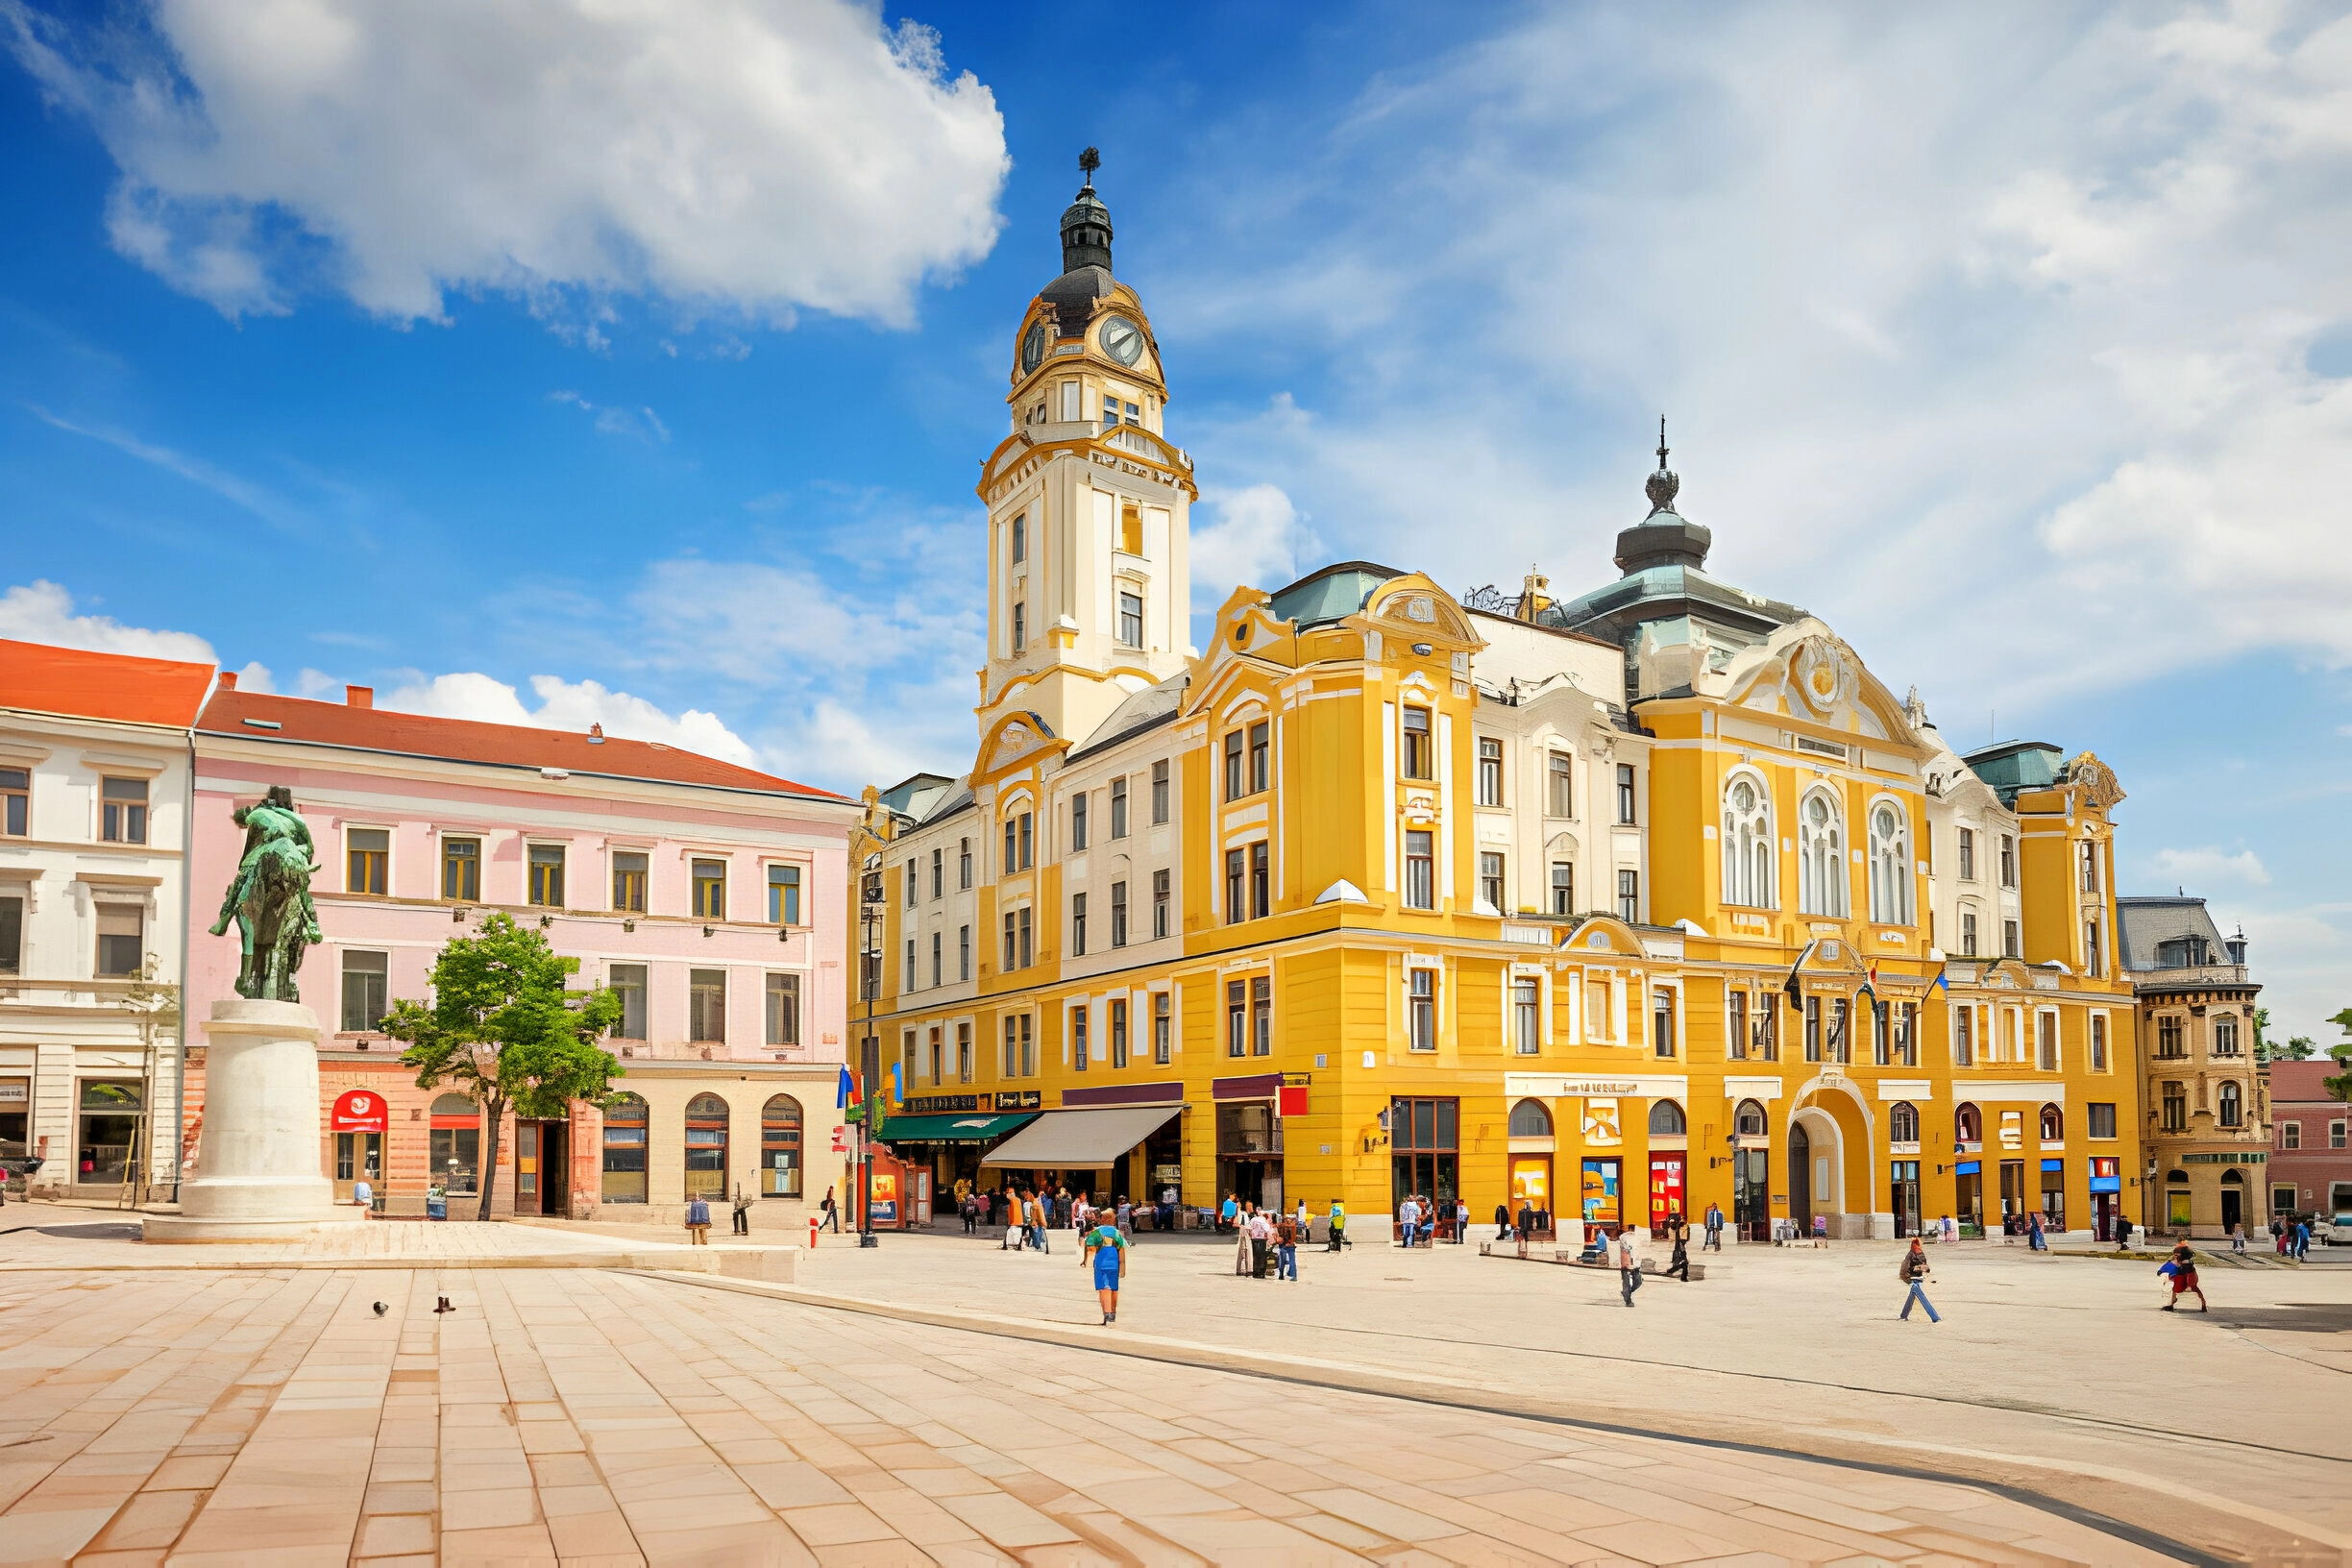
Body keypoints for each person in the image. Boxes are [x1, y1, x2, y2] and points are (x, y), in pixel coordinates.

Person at [1083, 1210, 1128, 1324]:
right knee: (1113, 1288)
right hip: (1114, 1263)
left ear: (1102, 1219)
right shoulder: (1117, 1233)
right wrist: (1122, 1267)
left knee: (1104, 1288)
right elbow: (1121, 1250)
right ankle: (1113, 1313)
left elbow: (1089, 1246)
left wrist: (1085, 1260)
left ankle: (1107, 1314)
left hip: (1101, 1262)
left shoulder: (1097, 1232)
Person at [1899, 1237, 1939, 1322]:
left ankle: (1935, 1317)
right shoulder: (1921, 1254)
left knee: (1923, 1299)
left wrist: (1905, 1278)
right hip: (1919, 1278)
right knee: (1911, 1299)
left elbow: (1905, 1268)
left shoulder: (1910, 1254)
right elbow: (1926, 1268)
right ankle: (1903, 1316)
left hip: (1913, 1279)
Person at [2162, 1243, 2207, 1311]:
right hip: (2180, 1278)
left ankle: (2203, 1305)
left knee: (2194, 1290)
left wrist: (2189, 1285)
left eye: (2177, 1254)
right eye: (2175, 1254)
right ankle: (2203, 1305)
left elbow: (2190, 1275)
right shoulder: (2179, 1262)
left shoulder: (2187, 1264)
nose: (2175, 1255)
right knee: (2175, 1290)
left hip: (2185, 1279)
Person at [1618, 1227, 1642, 1308]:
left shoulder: (1637, 1237)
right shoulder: (1623, 1237)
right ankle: (1628, 1301)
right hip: (1626, 1264)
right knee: (1626, 1283)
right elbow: (1625, 1250)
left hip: (1636, 1264)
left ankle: (1627, 1293)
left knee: (1638, 1281)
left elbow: (1637, 1250)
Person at [1247, 1204, 1274, 1277]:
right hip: (1262, 1239)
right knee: (1262, 1256)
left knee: (1255, 1255)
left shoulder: (1253, 1219)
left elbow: (1249, 1227)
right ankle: (1261, 1272)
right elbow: (1267, 1229)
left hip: (1254, 1238)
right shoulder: (1264, 1220)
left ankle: (1255, 1272)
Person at [1274, 1211, 1299, 1281]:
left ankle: (1281, 1275)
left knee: (1282, 1261)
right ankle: (1293, 1276)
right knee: (1292, 1261)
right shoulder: (1293, 1226)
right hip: (1290, 1245)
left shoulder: (1282, 1225)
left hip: (1283, 1245)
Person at [1665, 1212, 1689, 1281]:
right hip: (1675, 1248)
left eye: (1673, 1222)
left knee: (1683, 1262)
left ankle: (1683, 1277)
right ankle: (1673, 1270)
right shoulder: (1671, 1229)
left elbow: (1684, 1238)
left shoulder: (1684, 1227)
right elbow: (1672, 1239)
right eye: (1670, 1222)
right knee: (1678, 1262)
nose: (1671, 1224)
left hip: (1680, 1247)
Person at [1235, 1204, 1257, 1276]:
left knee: (1247, 1251)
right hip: (1244, 1232)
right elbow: (1237, 1223)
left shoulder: (1250, 1215)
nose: (1251, 1207)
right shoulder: (1242, 1214)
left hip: (1248, 1232)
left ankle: (1246, 1269)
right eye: (1250, 1206)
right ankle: (1244, 1269)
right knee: (1244, 1250)